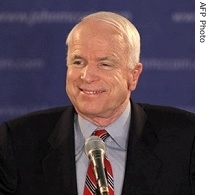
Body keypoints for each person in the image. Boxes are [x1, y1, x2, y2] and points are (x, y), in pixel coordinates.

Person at [0, 11, 194, 195]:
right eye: (78, 62)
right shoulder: (17, 141)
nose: (87, 76)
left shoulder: (189, 140)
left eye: (105, 64)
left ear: (133, 75)